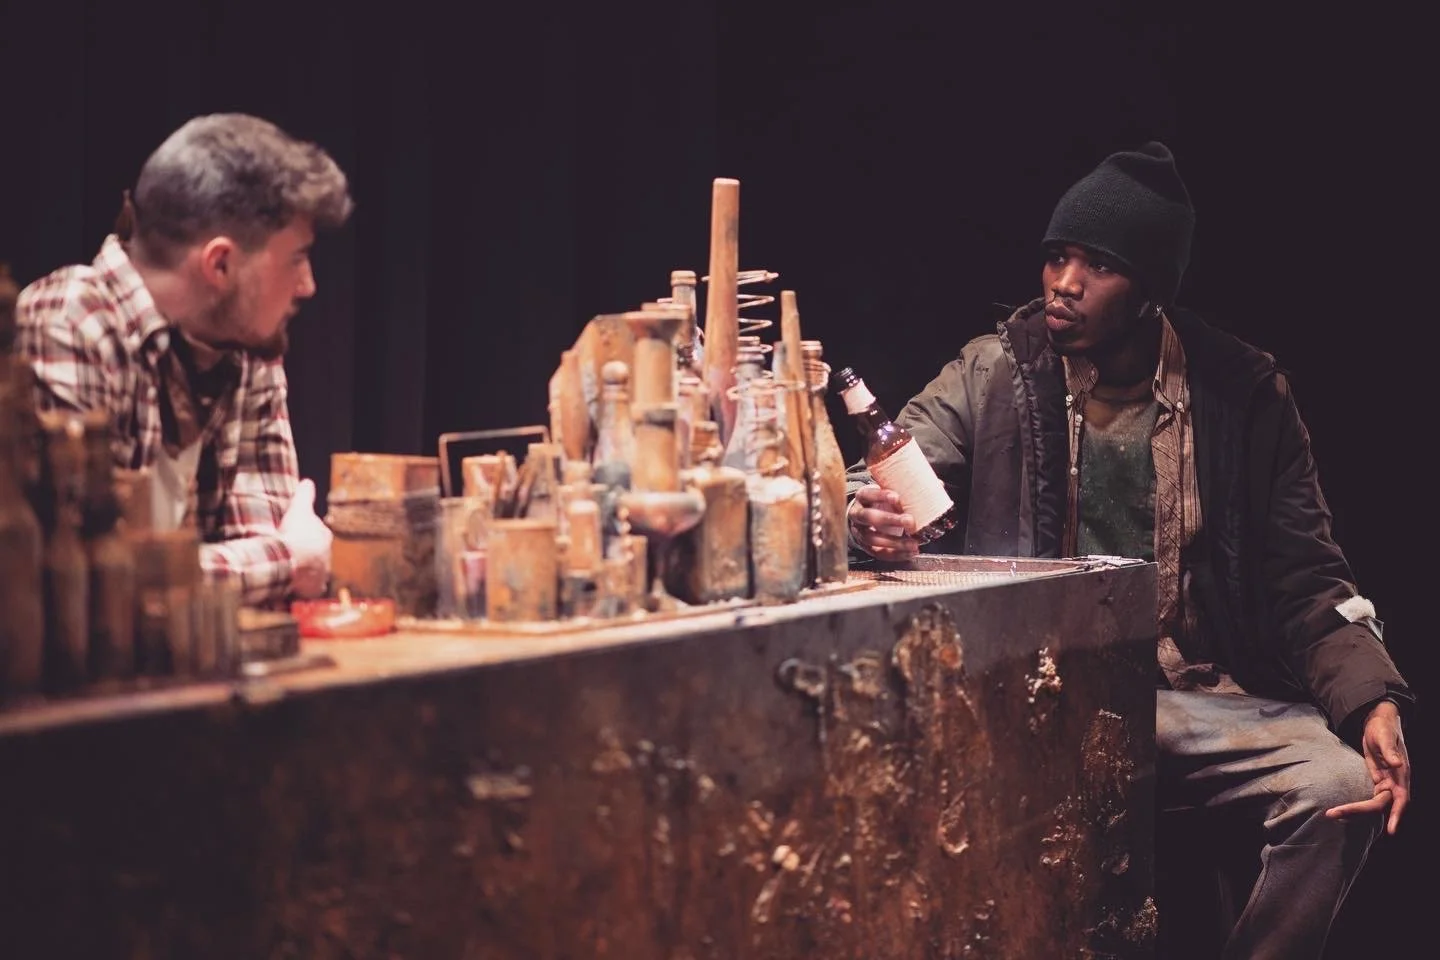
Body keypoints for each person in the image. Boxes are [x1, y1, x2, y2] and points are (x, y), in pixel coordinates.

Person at [845, 141, 1413, 958]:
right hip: (1042, 693)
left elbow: (1309, 579)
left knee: (1342, 786)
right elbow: (893, 471)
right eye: (1057, 257)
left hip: (1198, 698)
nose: (1064, 283)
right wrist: (866, 515)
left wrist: (1373, 702)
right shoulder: (997, 371)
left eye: (1099, 265)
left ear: (1151, 291)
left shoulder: (1242, 395)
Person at [15, 113, 352, 607]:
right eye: (296, 259)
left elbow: (261, 580)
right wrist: (285, 561)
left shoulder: (247, 344)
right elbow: (85, 576)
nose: (308, 286)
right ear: (220, 264)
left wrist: (270, 564)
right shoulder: (71, 323)